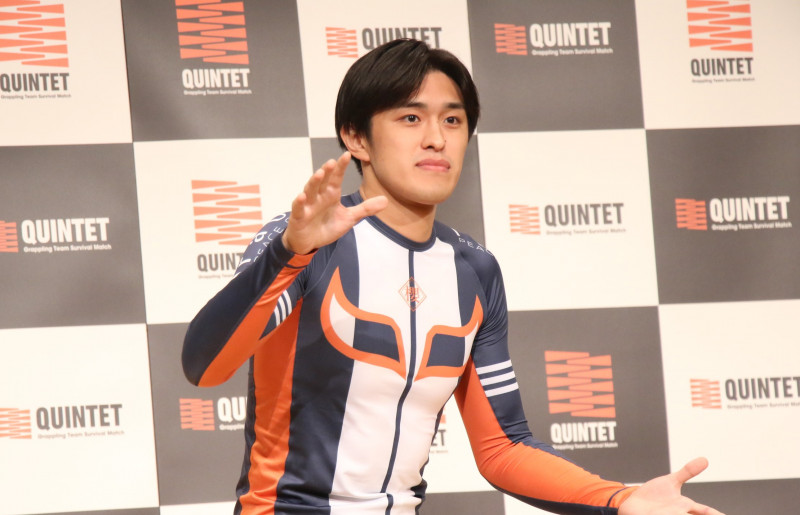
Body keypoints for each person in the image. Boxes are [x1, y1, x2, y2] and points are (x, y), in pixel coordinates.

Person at [182, 39, 723, 515]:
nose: (436, 139)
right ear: (356, 138)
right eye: (410, 118)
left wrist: (621, 499)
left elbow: (503, 448)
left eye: (453, 120)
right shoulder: (304, 241)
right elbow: (205, 366)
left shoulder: (475, 270)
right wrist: (289, 253)